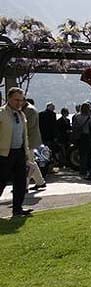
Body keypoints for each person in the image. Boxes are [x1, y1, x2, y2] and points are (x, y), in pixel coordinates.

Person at [0, 87, 33, 217]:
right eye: (16, 100)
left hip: (19, 153)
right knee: (1, 182)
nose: (19, 103)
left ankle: (17, 209)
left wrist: (26, 153)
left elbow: (24, 136)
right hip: (4, 154)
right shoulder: (1, 113)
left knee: (20, 182)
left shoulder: (21, 114)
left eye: (21, 100)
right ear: (9, 99)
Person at [22, 99, 46, 190]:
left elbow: (29, 126)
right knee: (31, 162)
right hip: (29, 140)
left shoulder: (30, 110)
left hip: (30, 140)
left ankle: (24, 186)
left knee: (28, 163)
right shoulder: (28, 109)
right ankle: (40, 182)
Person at [72, 102, 91, 177]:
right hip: (86, 136)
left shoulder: (76, 116)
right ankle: (85, 170)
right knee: (86, 154)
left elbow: (74, 126)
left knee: (81, 153)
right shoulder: (89, 117)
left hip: (79, 137)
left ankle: (81, 170)